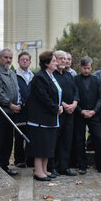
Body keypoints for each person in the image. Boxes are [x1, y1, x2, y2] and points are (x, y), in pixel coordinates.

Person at [26, 51, 63, 181]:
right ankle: (38, 171)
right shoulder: (40, 77)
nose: (56, 63)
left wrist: (59, 106)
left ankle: (45, 169)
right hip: (40, 118)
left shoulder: (52, 76)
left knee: (48, 144)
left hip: (51, 117)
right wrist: (55, 108)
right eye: (53, 61)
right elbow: (43, 97)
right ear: (46, 63)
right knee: (40, 144)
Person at [0, 48, 21, 176]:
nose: (8, 60)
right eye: (5, 57)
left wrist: (18, 103)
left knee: (7, 141)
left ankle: (4, 166)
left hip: (11, 113)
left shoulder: (12, 73)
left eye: (10, 58)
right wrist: (9, 104)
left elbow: (17, 90)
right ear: (0, 58)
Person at [73, 57, 101, 174]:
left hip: (94, 114)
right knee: (79, 139)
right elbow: (73, 97)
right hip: (79, 114)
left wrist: (94, 111)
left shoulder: (96, 80)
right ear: (80, 67)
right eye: (84, 68)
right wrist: (81, 111)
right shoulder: (75, 79)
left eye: (88, 68)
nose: (86, 70)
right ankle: (82, 166)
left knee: (99, 138)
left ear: (91, 67)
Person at [51, 51, 79, 176]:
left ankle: (64, 166)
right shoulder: (52, 76)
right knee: (55, 140)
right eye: (60, 59)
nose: (64, 61)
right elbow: (52, 93)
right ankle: (52, 167)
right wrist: (63, 104)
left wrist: (74, 103)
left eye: (65, 59)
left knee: (67, 140)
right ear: (55, 60)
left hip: (70, 113)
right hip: (58, 113)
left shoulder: (69, 75)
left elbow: (76, 92)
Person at [14, 51, 34, 168]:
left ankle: (30, 160)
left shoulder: (34, 76)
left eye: (27, 59)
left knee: (31, 136)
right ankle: (19, 160)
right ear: (18, 61)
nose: (25, 61)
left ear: (30, 62)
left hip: (31, 112)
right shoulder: (14, 74)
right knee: (19, 137)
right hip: (19, 111)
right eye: (22, 59)